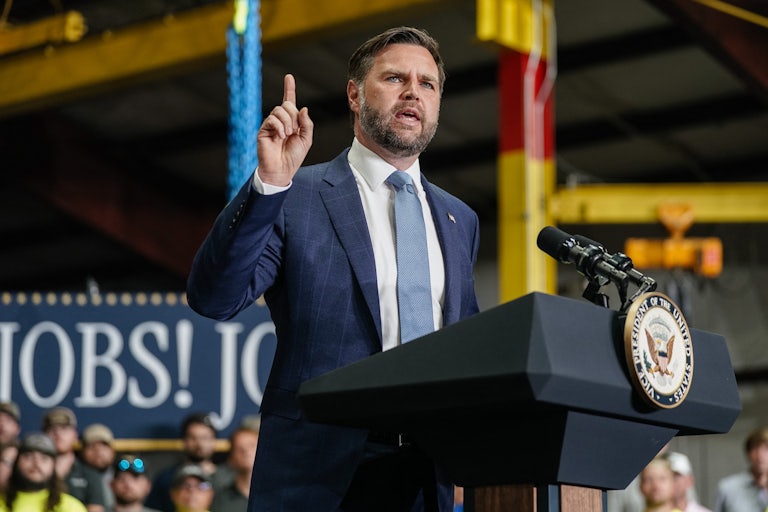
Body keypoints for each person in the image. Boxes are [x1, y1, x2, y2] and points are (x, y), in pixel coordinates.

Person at [187, 26, 480, 512]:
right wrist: (268, 185)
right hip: (317, 474)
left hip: (428, 473)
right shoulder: (296, 195)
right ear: (354, 93)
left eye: (427, 84)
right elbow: (214, 297)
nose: (413, 92)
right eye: (394, 78)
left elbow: (465, 347)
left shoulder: (459, 219)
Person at [144, 413, 219, 512]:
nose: (199, 444)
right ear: (184, 440)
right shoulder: (166, 478)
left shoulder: (227, 478)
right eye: (193, 438)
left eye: (204, 438)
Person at [0, 432, 86, 512]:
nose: (36, 462)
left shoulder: (71, 507)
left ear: (53, 466)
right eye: (28, 456)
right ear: (16, 462)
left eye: (44, 458)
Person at [42, 407, 107, 512]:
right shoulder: (33, 471)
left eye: (64, 429)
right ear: (44, 435)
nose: (58, 434)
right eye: (52, 429)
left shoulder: (90, 474)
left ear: (75, 434)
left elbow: (95, 509)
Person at [715, 426, 768, 512]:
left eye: (766, 449)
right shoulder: (729, 488)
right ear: (748, 453)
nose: (760, 455)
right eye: (755, 449)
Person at [210, 422, 260, 511]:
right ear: (231, 459)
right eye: (239, 448)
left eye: (252, 445)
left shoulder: (277, 495)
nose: (246, 451)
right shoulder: (218, 499)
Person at [81, 424, 117, 510]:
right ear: (83, 451)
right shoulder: (73, 476)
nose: (98, 451)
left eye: (104, 446)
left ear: (112, 450)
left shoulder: (121, 475)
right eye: (92, 446)